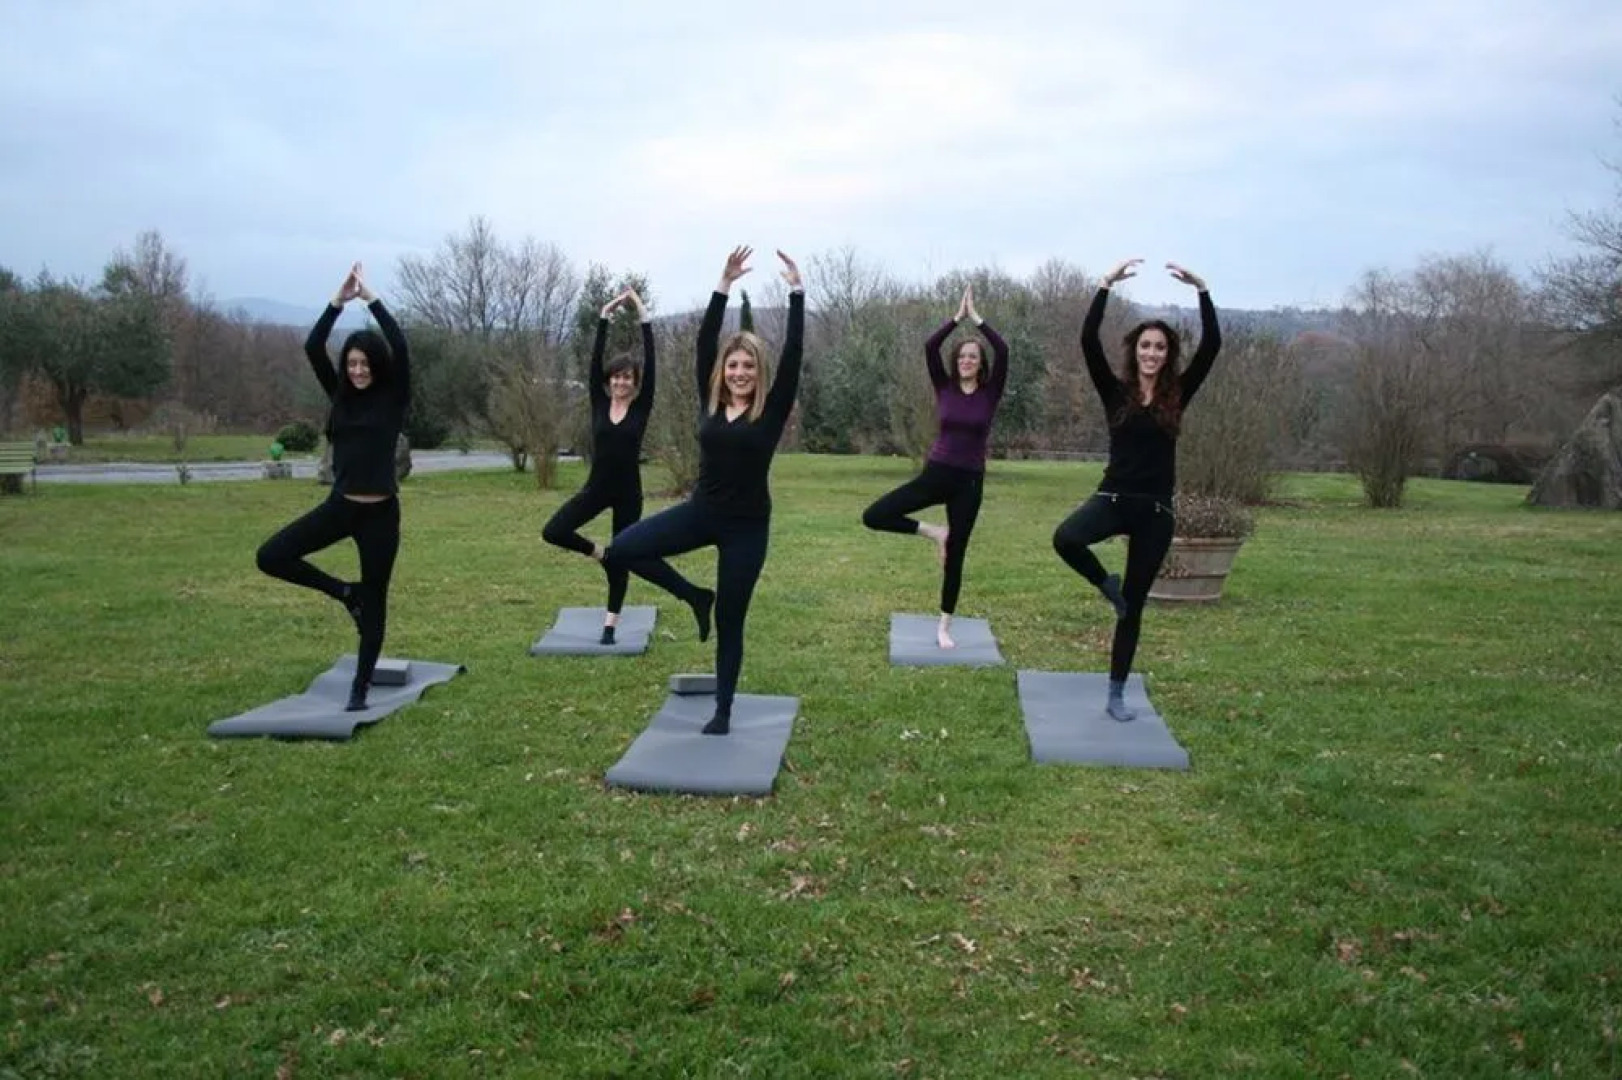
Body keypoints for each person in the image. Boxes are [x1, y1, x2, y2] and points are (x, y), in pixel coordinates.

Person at [603, 246, 804, 735]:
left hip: (747, 530)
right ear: (723, 371)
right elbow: (702, 343)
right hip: (701, 512)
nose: (739, 374)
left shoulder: (771, 410)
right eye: (733, 366)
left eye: (748, 367)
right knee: (622, 549)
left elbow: (795, 355)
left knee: (732, 622)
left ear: (759, 373)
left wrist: (797, 295)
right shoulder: (710, 403)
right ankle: (695, 596)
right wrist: (722, 286)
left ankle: (723, 709)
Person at [1051, 258, 1221, 721]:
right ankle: (1105, 582)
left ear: (1167, 355)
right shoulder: (1116, 393)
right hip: (1113, 499)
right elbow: (1088, 341)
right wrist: (1104, 284)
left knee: (1132, 608)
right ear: (1136, 350)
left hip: (1156, 512)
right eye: (1145, 346)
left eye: (1159, 347)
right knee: (1065, 539)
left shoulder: (1178, 394)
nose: (1151, 353)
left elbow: (1212, 347)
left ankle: (1116, 693)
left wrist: (1202, 290)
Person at [256, 262, 411, 712]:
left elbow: (399, 344)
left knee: (377, 600)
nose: (358, 370)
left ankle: (360, 690)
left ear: (376, 366)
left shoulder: (393, 397)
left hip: (381, 515)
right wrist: (336, 302)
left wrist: (372, 299)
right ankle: (346, 593)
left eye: (364, 363)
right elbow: (311, 345)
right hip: (340, 507)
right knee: (272, 555)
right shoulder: (340, 396)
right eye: (352, 363)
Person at [541, 288, 710, 644]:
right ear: (609, 381)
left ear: (634, 383)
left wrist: (644, 316)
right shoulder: (599, 404)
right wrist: (603, 316)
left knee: (630, 557)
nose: (621, 382)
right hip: (596, 489)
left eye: (627, 378)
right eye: (616, 377)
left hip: (628, 494)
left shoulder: (641, 407)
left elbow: (652, 362)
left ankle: (610, 626)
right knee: (554, 531)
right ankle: (607, 557)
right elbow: (593, 362)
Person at [861, 283, 1008, 649]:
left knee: (957, 554)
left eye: (974, 356)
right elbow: (930, 347)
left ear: (981, 362)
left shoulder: (990, 393)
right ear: (956, 361)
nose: (968, 361)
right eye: (963, 356)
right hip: (936, 473)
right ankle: (933, 532)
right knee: (875, 515)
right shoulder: (944, 387)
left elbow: (1003, 349)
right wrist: (956, 319)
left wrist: (978, 320)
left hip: (970, 482)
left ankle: (944, 625)